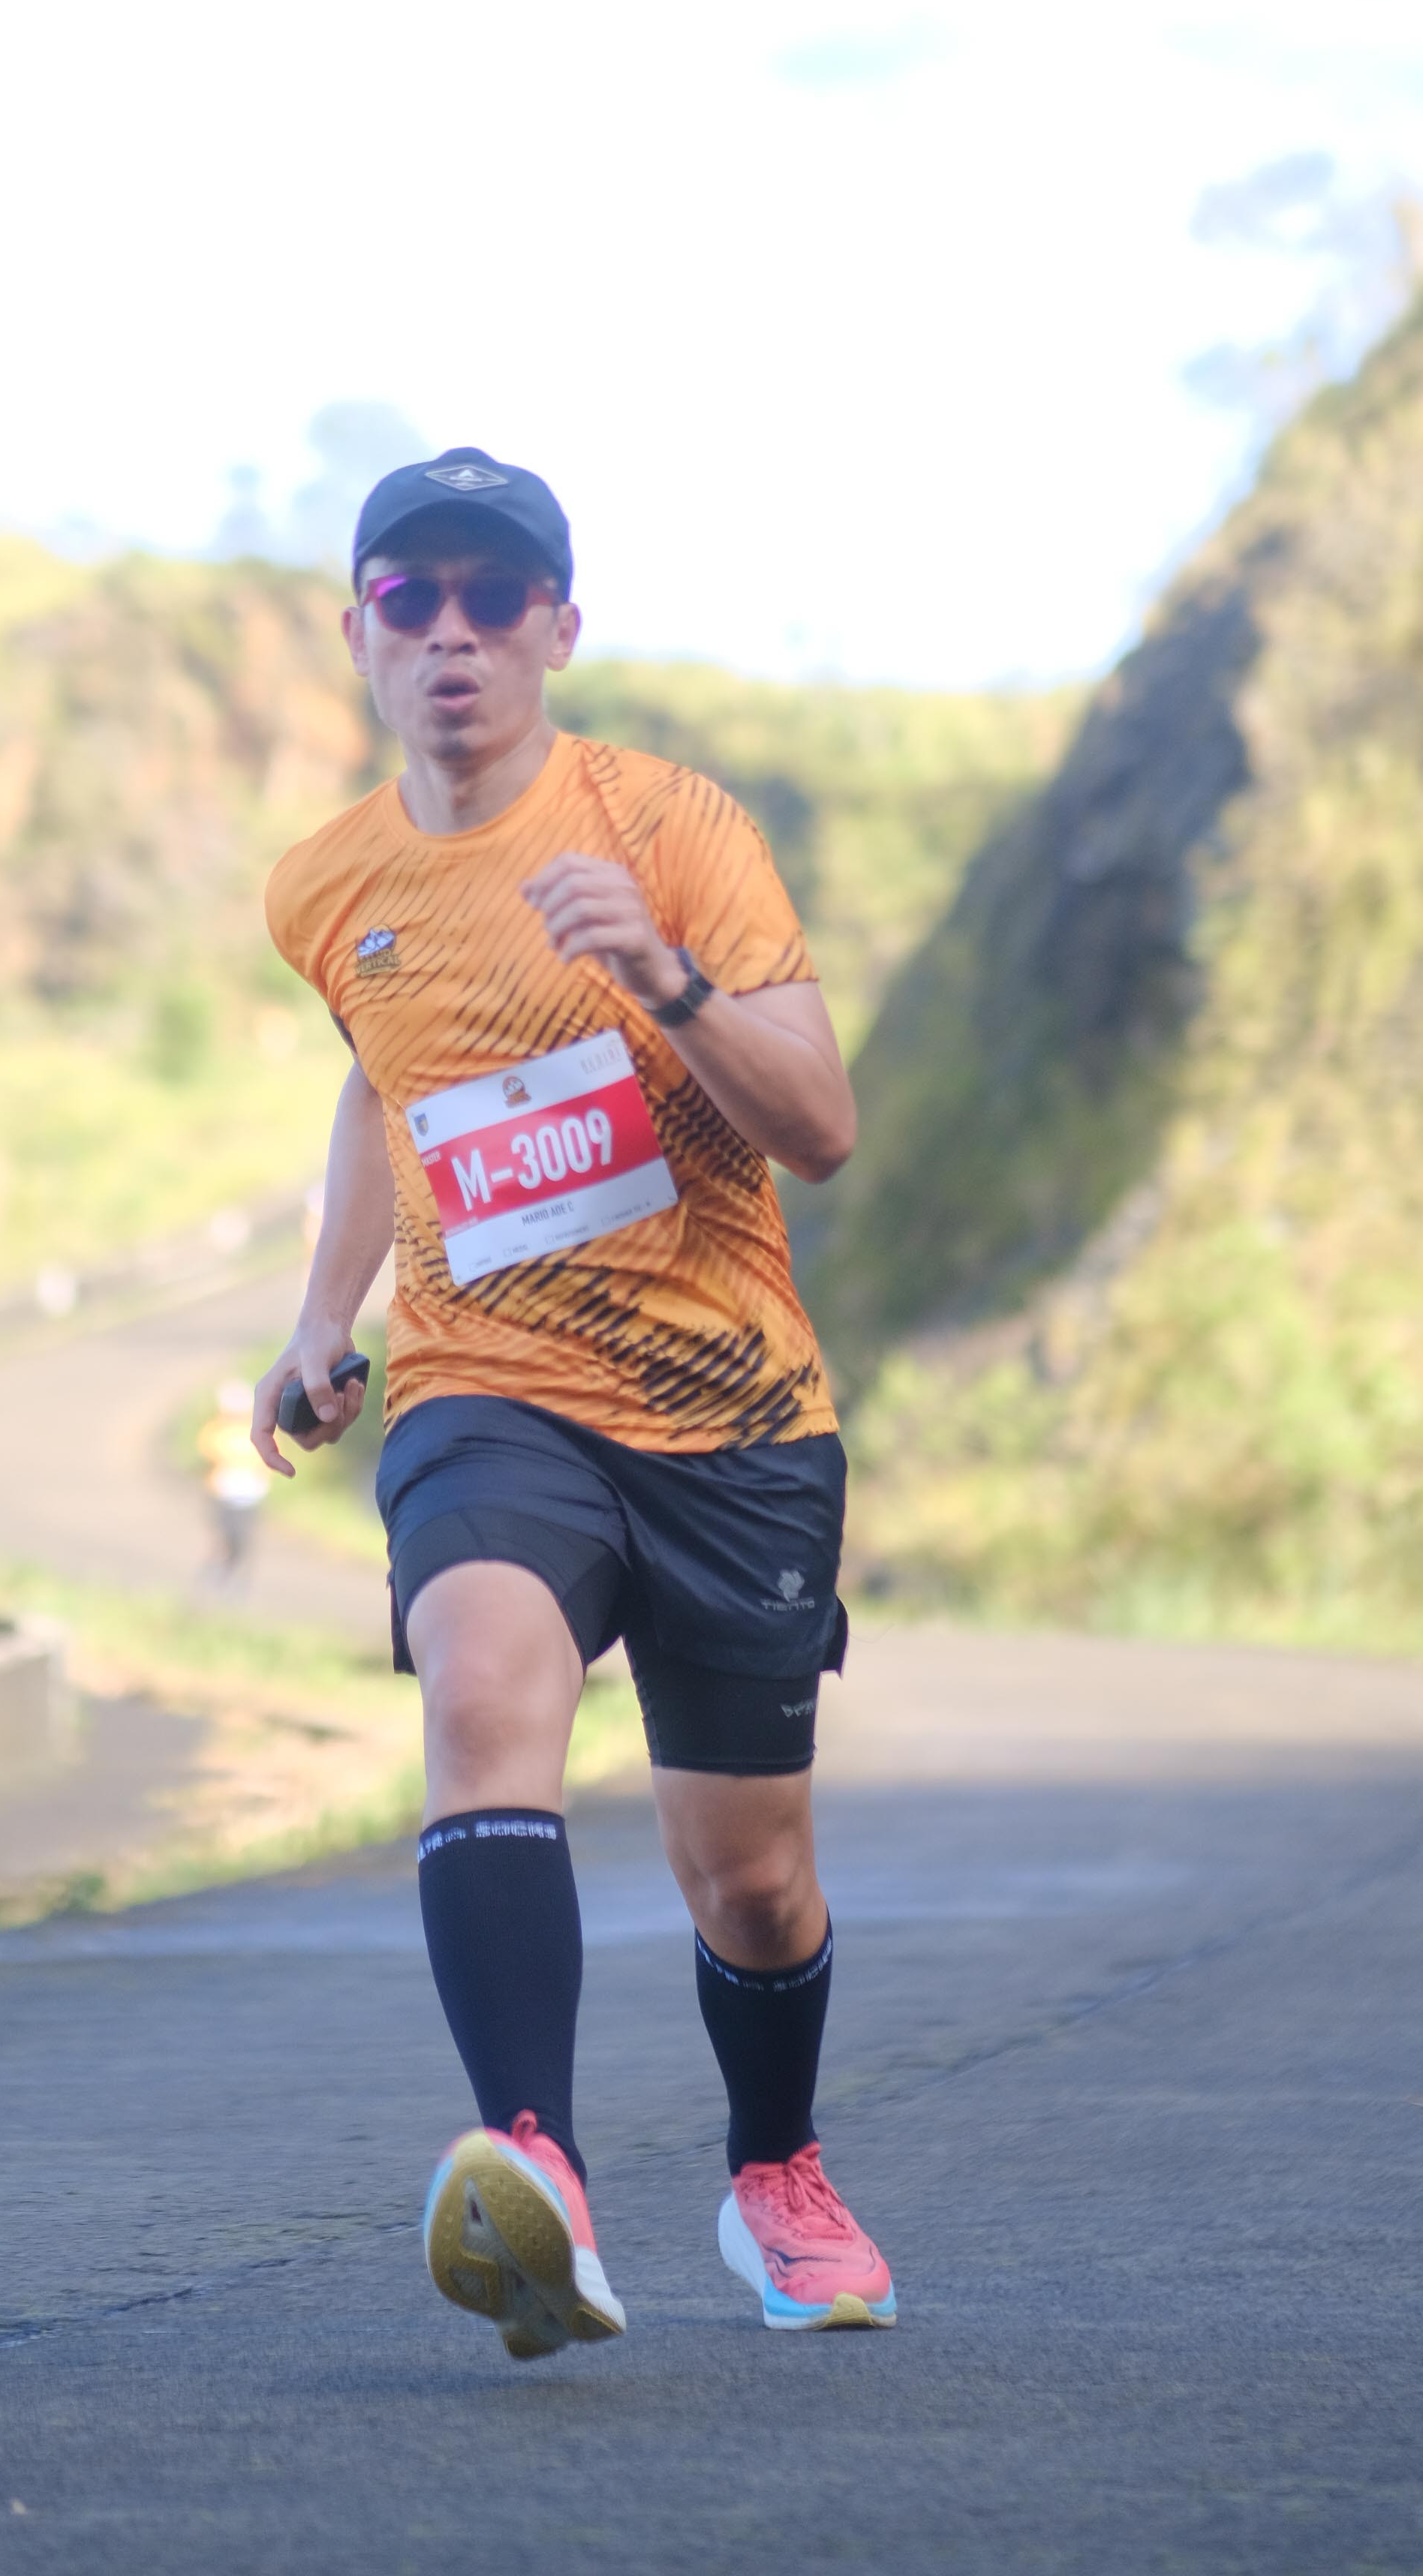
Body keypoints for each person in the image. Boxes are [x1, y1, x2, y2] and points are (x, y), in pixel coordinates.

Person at [251, 443, 894, 2358]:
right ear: (360, 634)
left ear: (556, 627)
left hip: (728, 1413)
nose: (449, 634)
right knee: (479, 1692)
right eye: (409, 598)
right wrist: (322, 1314)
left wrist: (663, 979)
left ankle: (774, 2170)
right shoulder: (325, 888)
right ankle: (533, 2170)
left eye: (491, 598)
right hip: (489, 1389)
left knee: (749, 1878)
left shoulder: (671, 828)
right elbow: (382, 1081)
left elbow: (821, 1128)